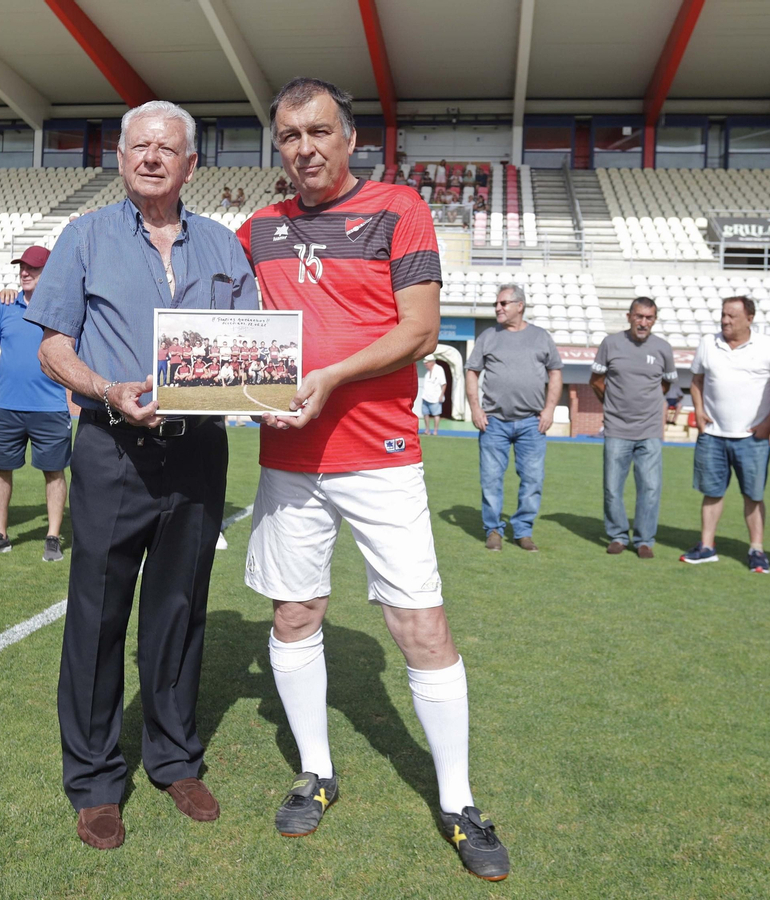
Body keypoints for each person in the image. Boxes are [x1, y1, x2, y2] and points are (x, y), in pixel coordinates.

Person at [240, 77, 510, 882]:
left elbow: (420, 331)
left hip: (381, 453)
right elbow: (239, 334)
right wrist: (245, 391)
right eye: (289, 136)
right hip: (289, 457)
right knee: (296, 614)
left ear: (349, 139)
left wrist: (326, 379)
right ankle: (317, 774)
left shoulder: (399, 209)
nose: (304, 148)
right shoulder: (257, 227)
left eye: (319, 132)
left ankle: (459, 801)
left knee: (419, 626)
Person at [25, 99, 256, 851]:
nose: (152, 157)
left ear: (192, 165)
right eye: (139, 147)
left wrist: (266, 392)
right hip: (109, 446)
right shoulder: (85, 236)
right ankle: (95, 781)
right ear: (121, 159)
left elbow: (253, 347)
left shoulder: (224, 245)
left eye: (168, 148)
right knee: (96, 614)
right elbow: (52, 347)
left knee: (180, 609)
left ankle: (174, 758)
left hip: (198, 450)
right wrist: (106, 390)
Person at [0, 245, 69, 562]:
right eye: (22, 267)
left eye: (34, 268)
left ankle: (53, 537)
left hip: (51, 407)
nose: (25, 272)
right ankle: (0, 534)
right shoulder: (4, 306)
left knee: (54, 472)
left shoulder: (63, 308)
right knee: (0, 470)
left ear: (49, 273)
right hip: (6, 408)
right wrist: (14, 374)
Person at [678, 296, 770, 573]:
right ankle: (706, 547)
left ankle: (757, 550)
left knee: (753, 495)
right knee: (711, 493)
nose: (725, 320)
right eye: (723, 315)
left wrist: (769, 425)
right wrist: (699, 411)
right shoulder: (708, 343)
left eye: (732, 316)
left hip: (753, 438)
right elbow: (697, 381)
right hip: (713, 435)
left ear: (750, 318)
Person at [466, 283, 562, 553]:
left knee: (532, 480)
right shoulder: (488, 337)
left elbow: (555, 371)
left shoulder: (541, 337)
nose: (498, 307)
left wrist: (550, 409)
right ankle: (494, 530)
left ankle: (523, 531)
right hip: (494, 423)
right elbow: (472, 371)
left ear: (520, 306)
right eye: (497, 303)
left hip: (532, 423)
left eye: (503, 303)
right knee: (491, 480)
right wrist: (475, 408)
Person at [590, 298, 676, 558]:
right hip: (617, 429)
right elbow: (595, 381)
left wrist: (645, 405)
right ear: (629, 317)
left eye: (649, 318)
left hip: (650, 430)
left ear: (655, 320)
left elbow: (666, 384)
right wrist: (614, 406)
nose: (643, 322)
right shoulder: (611, 344)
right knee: (612, 487)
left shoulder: (663, 348)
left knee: (650, 487)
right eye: (639, 316)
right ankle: (617, 535)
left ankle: (644, 540)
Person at [418, 354, 447, 435]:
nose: (425, 364)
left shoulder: (439, 369)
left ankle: (435, 431)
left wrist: (441, 395)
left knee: (436, 414)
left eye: (426, 363)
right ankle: (427, 430)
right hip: (426, 396)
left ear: (432, 362)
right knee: (425, 413)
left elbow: (444, 383)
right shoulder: (428, 371)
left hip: (435, 397)